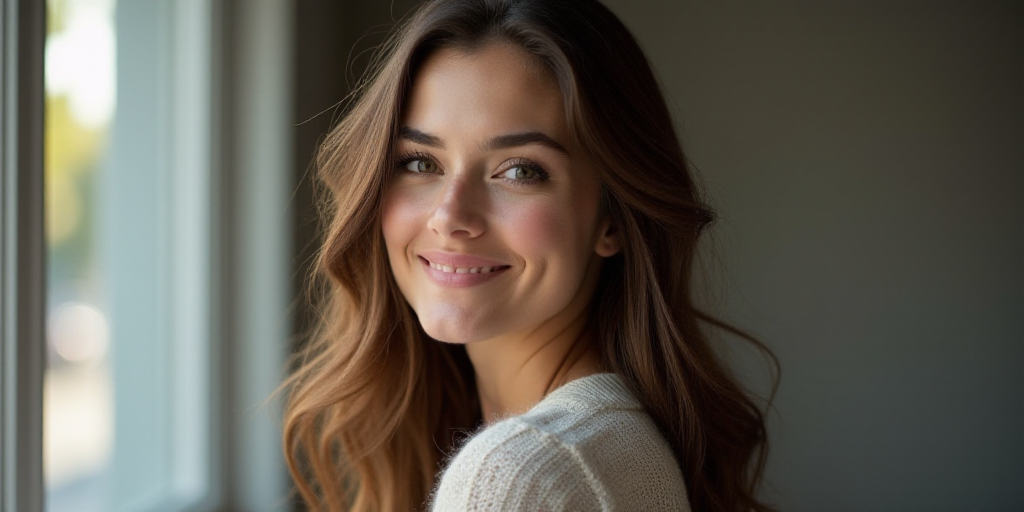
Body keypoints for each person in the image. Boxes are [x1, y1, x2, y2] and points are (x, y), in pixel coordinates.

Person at [282, 0, 776, 510]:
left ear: (613, 218)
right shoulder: (617, 443)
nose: (450, 216)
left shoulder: (519, 477)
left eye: (519, 170)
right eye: (420, 161)